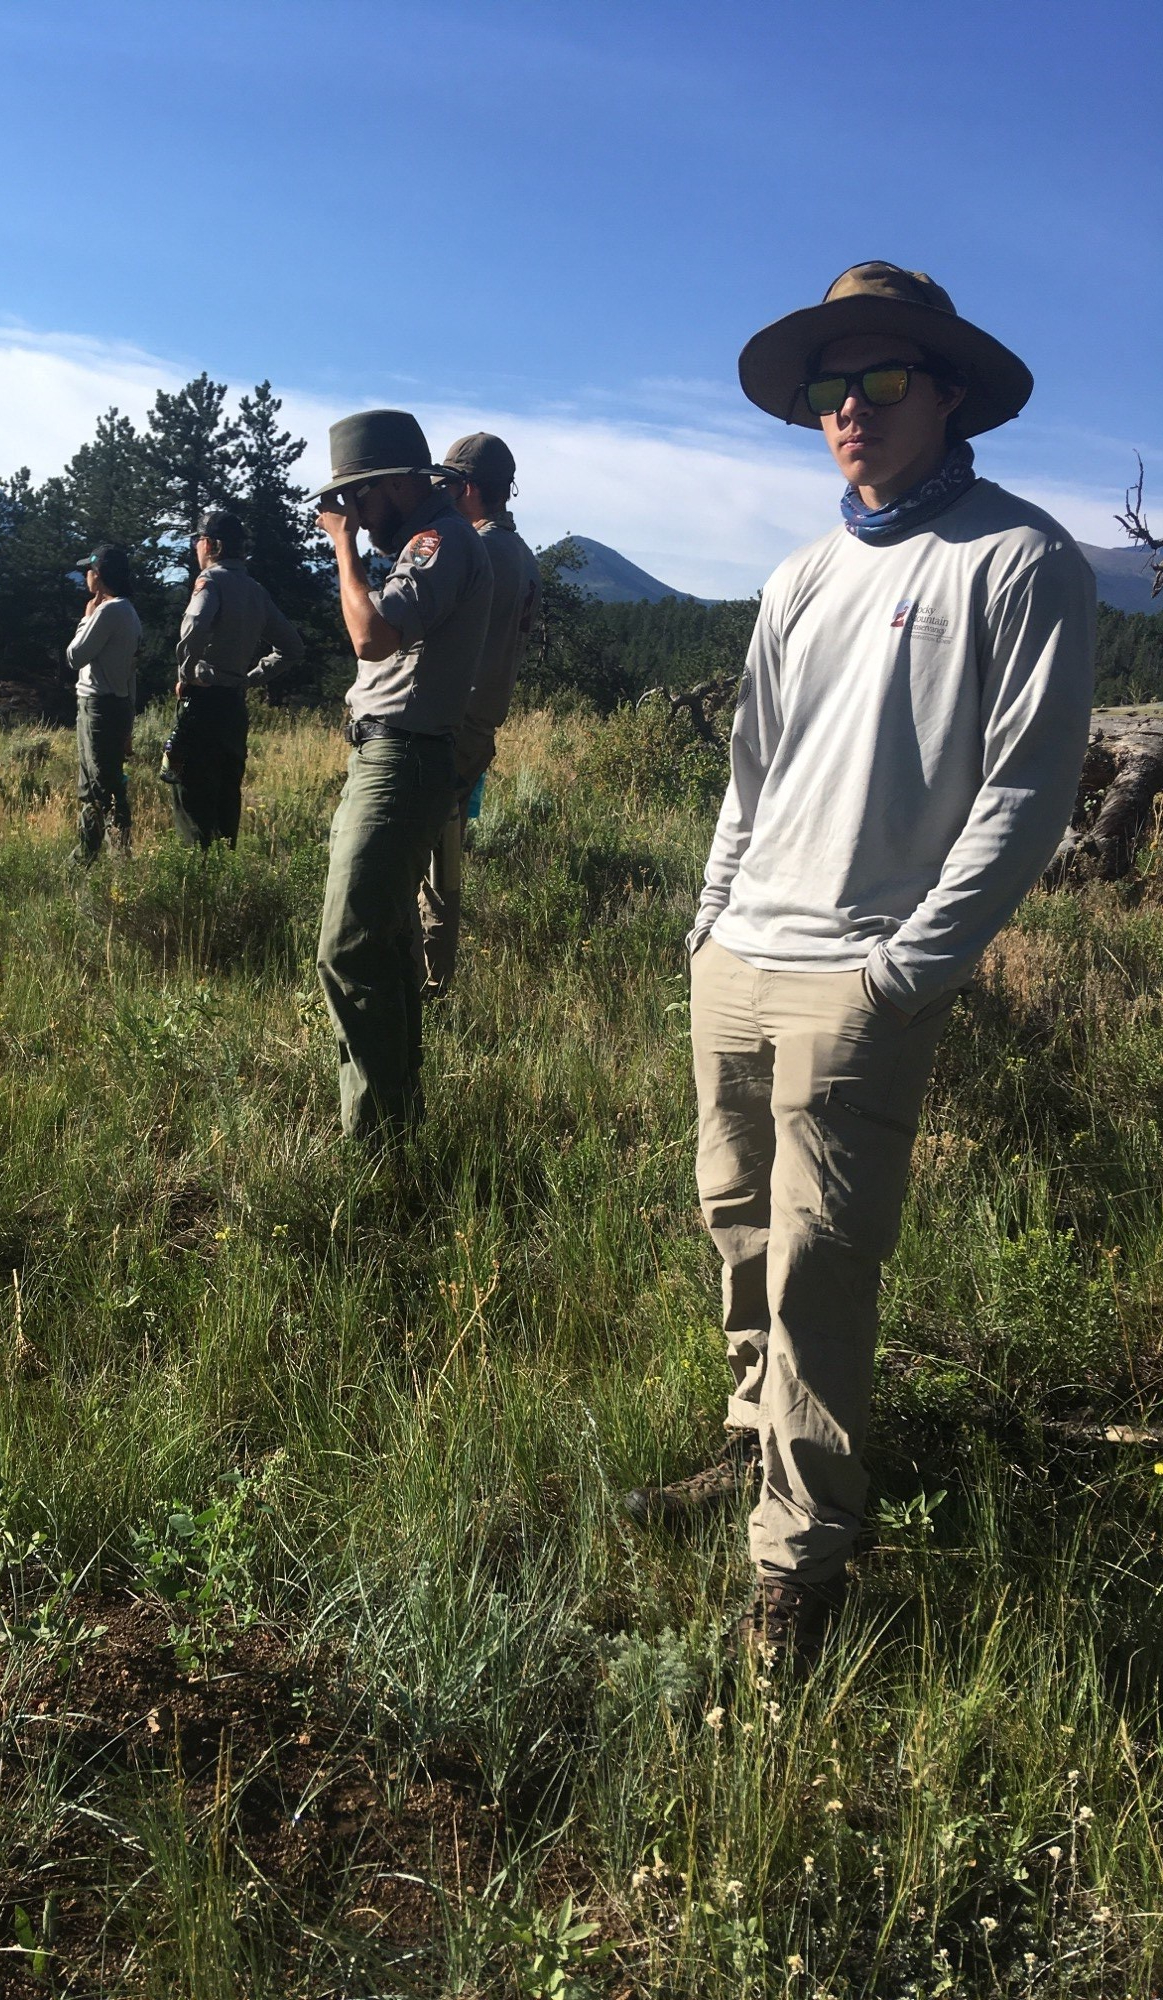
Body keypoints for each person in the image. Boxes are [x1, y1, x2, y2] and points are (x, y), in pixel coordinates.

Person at [625, 262, 1096, 1665]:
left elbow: (1023, 794)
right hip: (741, 954)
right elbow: (748, 767)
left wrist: (906, 968)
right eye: (831, 387)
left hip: (859, 974)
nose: (849, 409)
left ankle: (801, 1552)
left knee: (822, 1263)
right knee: (736, 1226)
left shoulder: (1018, 561)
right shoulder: (800, 575)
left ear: (947, 396)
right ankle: (752, 1443)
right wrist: (708, 920)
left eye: (881, 379)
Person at [314, 410, 493, 1142]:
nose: (351, 513)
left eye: (357, 498)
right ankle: (395, 1126)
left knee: (348, 945)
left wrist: (341, 549)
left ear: (389, 484)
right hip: (392, 756)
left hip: (402, 758)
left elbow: (370, 635)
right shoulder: (433, 540)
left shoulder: (438, 541)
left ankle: (372, 1136)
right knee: (382, 945)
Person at [419, 432, 541, 995]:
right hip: (477, 731)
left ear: (466, 488)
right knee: (442, 866)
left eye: (446, 485)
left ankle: (428, 991)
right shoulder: (523, 558)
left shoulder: (473, 549)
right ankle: (433, 985)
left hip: (443, 729)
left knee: (424, 872)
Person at [166, 509, 304, 848]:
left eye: (198, 540)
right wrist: (252, 678)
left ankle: (198, 884)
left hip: (202, 703)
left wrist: (186, 673)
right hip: (233, 707)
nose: (196, 546)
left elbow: (195, 627)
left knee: (192, 795)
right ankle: (225, 877)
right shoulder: (255, 590)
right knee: (227, 795)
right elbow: (292, 647)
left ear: (211, 544)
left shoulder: (211, 581)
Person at [67, 544, 143, 864]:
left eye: (89, 570)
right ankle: (94, 855)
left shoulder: (108, 611)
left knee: (102, 786)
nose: (85, 576)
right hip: (115, 706)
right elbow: (130, 675)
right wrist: (129, 723)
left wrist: (86, 618)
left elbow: (75, 655)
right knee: (100, 781)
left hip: (98, 706)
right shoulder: (129, 611)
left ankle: (105, 856)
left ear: (98, 576)